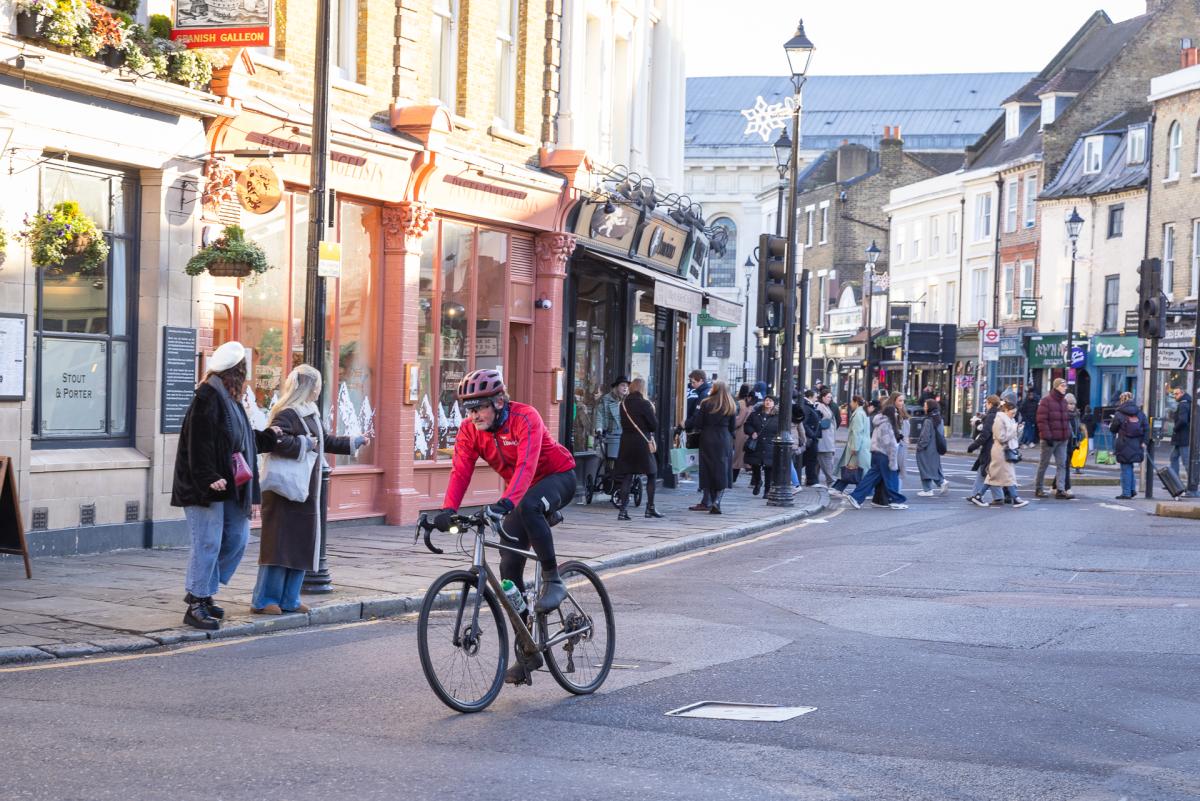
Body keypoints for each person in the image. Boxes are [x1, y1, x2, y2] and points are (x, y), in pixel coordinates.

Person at [430, 368, 577, 685]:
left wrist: (504, 504)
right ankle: (527, 651)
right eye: (468, 408)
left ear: (499, 401)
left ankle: (553, 579)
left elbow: (526, 466)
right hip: (519, 494)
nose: (473, 414)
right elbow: (460, 471)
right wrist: (447, 510)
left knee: (529, 505)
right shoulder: (472, 431)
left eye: (479, 406)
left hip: (557, 478)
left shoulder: (525, 418)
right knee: (509, 570)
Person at [171, 341, 279, 630]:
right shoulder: (207, 398)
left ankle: (201, 590)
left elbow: (241, 440)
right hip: (204, 487)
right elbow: (197, 444)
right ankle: (197, 603)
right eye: (244, 371)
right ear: (235, 372)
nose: (246, 377)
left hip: (231, 486)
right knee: (207, 543)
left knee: (237, 538)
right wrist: (209, 477)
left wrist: (269, 437)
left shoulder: (230, 400)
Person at [254, 365, 369, 615]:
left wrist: (353, 442)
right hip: (284, 491)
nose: (318, 390)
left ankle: (290, 599)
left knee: (301, 545)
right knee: (279, 545)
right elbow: (274, 441)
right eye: (316, 385)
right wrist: (305, 443)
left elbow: (325, 441)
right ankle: (264, 599)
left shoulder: (311, 413)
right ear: (307, 387)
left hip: (306, 491)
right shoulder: (286, 413)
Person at [614, 377, 663, 520]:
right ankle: (650, 508)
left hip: (626, 442)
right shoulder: (645, 404)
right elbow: (654, 425)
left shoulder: (622, 404)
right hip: (642, 442)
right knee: (652, 474)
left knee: (627, 476)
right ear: (642, 388)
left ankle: (622, 511)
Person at [686, 379, 736, 513]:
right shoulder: (731, 405)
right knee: (722, 469)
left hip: (708, 438)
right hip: (724, 439)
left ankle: (708, 500)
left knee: (707, 469)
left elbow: (698, 423)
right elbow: (733, 427)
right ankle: (717, 500)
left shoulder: (706, 403)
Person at [844, 405, 908, 510]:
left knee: (870, 478)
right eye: (895, 412)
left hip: (876, 452)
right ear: (891, 414)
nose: (897, 414)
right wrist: (893, 460)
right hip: (885, 454)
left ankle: (855, 496)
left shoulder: (880, 422)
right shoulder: (887, 424)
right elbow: (889, 444)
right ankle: (897, 500)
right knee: (891, 478)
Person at [1035, 378, 1074, 499]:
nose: (1065, 388)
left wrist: (1067, 434)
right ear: (1056, 386)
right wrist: (1047, 436)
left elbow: (1065, 420)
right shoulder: (1046, 401)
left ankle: (1060, 490)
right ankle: (1039, 488)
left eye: (1065, 386)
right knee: (1044, 464)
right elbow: (1041, 420)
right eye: (1063, 386)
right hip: (1049, 439)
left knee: (1062, 464)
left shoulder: (1063, 402)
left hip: (1062, 439)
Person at [987, 400, 1029, 507]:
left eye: (1015, 413)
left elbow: (1013, 437)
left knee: (993, 476)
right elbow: (1001, 437)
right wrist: (1014, 431)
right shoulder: (999, 420)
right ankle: (1016, 498)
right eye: (1012, 413)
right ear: (1005, 410)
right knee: (1008, 476)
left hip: (1006, 450)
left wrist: (1018, 430)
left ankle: (978, 495)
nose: (1013, 415)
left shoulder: (1010, 420)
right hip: (1000, 451)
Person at [966, 395, 1005, 507]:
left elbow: (985, 434)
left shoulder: (991, 416)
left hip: (990, 448)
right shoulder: (997, 415)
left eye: (986, 403)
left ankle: (997, 497)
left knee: (987, 472)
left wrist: (973, 446)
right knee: (985, 472)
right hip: (996, 448)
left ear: (990, 403)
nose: (986, 405)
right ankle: (979, 495)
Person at [1110, 392, 1147, 499]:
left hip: (1124, 443)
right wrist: (1144, 442)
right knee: (1130, 467)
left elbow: (1113, 429)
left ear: (1121, 400)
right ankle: (1131, 490)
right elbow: (1146, 427)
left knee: (1125, 468)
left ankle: (1126, 493)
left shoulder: (1119, 413)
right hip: (1137, 443)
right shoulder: (1139, 412)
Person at [831, 395, 870, 496]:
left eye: (852, 402)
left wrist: (855, 447)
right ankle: (838, 488)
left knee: (853, 469)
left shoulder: (858, 414)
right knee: (853, 469)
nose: (850, 405)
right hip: (862, 446)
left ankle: (840, 489)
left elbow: (857, 432)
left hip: (858, 446)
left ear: (856, 402)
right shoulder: (862, 413)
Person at [743, 395, 780, 496]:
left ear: (774, 403)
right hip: (757, 444)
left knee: (769, 468)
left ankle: (767, 490)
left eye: (770, 401)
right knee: (755, 465)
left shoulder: (778, 417)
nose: (768, 402)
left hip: (770, 445)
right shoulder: (755, 414)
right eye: (766, 400)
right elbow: (747, 425)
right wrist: (752, 432)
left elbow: (782, 430)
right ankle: (758, 481)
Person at [914, 398, 949, 496]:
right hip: (935, 448)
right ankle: (941, 482)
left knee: (924, 468)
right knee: (933, 467)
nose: (924, 408)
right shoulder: (939, 419)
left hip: (926, 449)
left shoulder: (928, 421)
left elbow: (925, 437)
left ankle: (928, 489)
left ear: (929, 407)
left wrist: (920, 447)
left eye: (925, 406)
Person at [592, 377, 628, 470]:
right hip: (611, 435)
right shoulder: (606, 399)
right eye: (623, 385)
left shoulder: (628, 401)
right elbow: (600, 415)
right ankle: (610, 478)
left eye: (627, 386)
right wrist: (599, 429)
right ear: (616, 387)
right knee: (611, 463)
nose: (625, 388)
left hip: (625, 435)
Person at [797, 389, 822, 486]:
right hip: (809, 438)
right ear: (811, 397)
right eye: (816, 396)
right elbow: (803, 422)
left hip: (811, 437)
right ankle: (811, 480)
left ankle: (811, 479)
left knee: (808, 459)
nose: (817, 398)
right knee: (810, 459)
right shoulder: (807, 407)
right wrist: (812, 434)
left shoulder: (810, 406)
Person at [732, 387, 755, 484]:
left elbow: (738, 421)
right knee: (751, 458)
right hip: (751, 433)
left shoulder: (740, 403)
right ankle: (754, 481)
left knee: (737, 458)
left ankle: (733, 479)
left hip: (741, 432)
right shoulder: (753, 405)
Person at [815, 390, 837, 486]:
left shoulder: (827, 406)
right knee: (827, 460)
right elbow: (817, 420)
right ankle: (831, 481)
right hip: (824, 438)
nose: (830, 399)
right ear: (823, 397)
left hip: (828, 437)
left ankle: (813, 479)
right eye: (828, 397)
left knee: (819, 462)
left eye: (830, 397)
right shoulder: (819, 406)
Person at [1170, 386, 1191, 485]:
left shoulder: (1184, 404)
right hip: (1181, 437)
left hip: (1183, 437)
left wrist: (1175, 428)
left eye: (1177, 393)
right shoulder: (1186, 402)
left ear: (1182, 393)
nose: (1175, 396)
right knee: (1173, 457)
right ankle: (1175, 481)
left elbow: (1183, 420)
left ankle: (1192, 483)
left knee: (1186, 461)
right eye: (1174, 394)